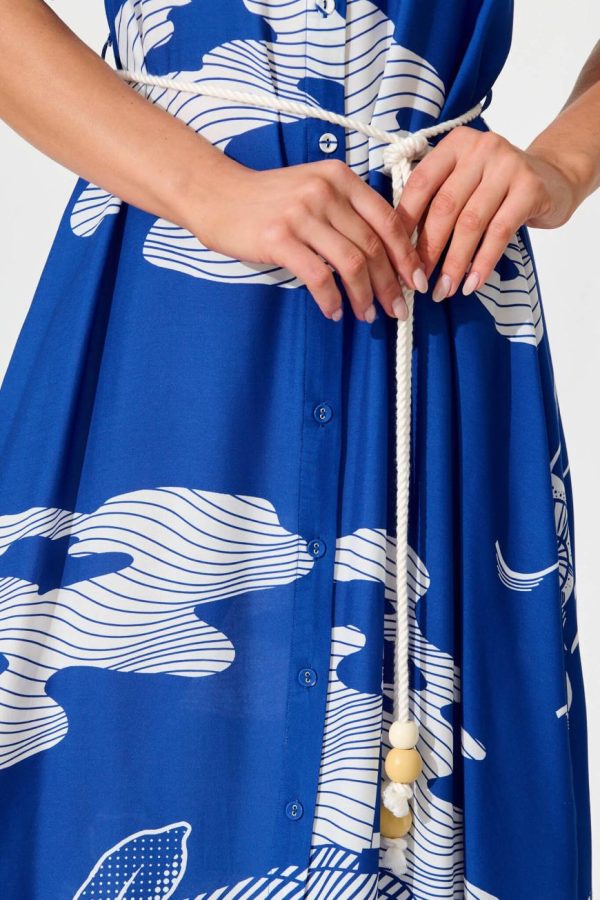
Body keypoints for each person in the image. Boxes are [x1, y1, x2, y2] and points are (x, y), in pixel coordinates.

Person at [0, 1, 597, 897]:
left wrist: (565, 163)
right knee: (117, 749)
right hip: (171, 330)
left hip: (436, 300)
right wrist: (204, 187)